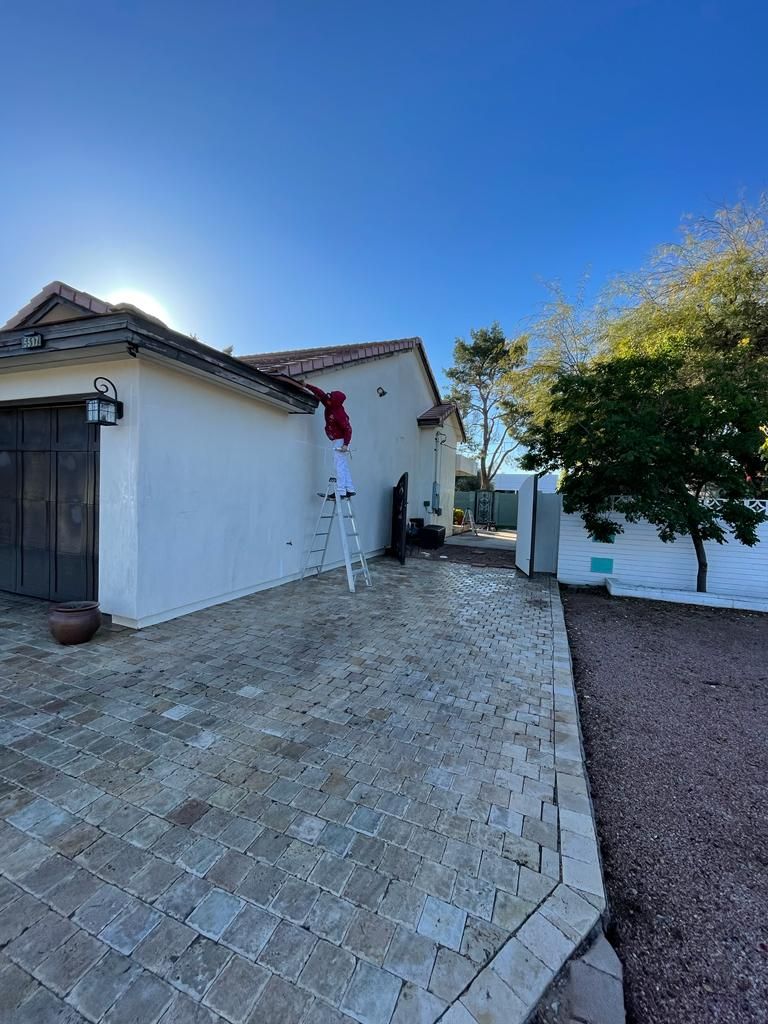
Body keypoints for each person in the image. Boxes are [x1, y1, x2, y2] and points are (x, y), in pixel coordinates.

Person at [300, 382, 356, 498]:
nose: (328, 399)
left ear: (336, 402)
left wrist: (345, 444)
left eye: (331, 399)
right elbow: (320, 393)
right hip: (337, 440)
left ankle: (340, 491)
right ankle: (349, 488)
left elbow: (348, 429)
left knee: (338, 465)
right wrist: (306, 385)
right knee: (343, 465)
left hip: (340, 441)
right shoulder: (329, 403)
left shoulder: (339, 413)